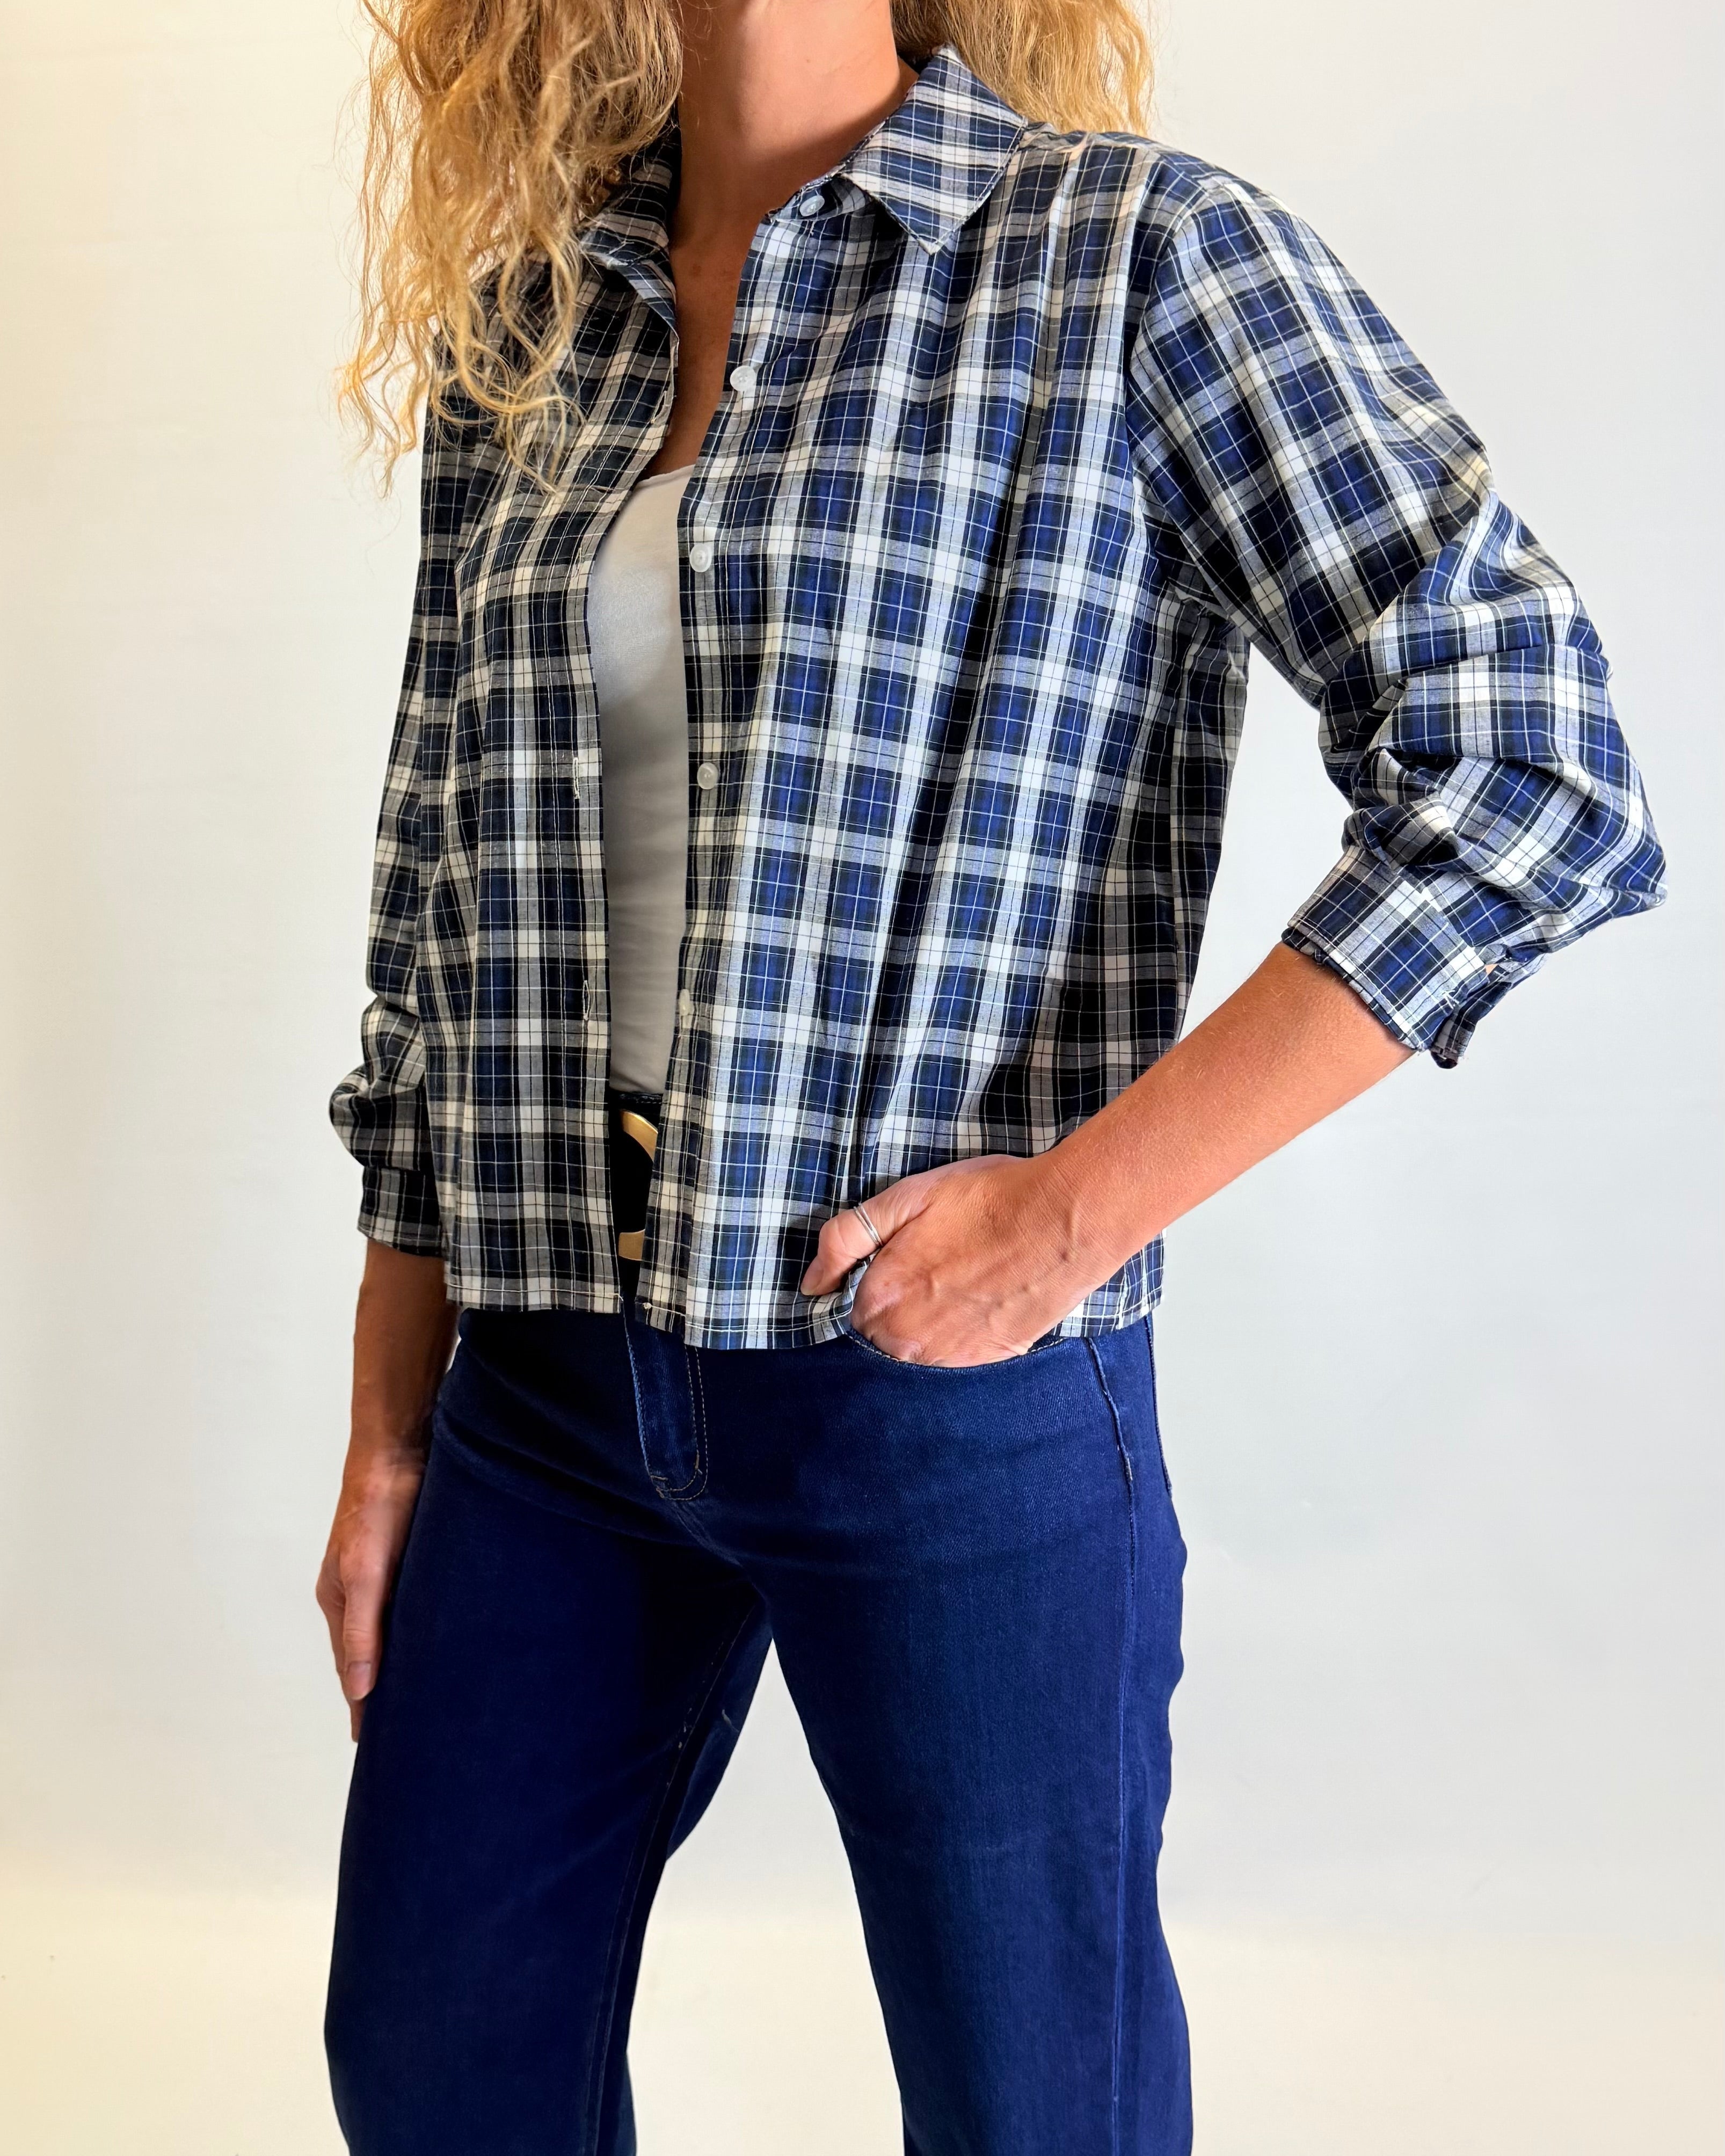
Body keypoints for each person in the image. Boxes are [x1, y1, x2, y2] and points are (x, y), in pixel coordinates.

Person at [315, 2, 1665, 2149]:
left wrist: (1068, 1216)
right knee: (434, 2055)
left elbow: (1533, 766)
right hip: (545, 1384)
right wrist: (392, 1429)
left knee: (1035, 2108)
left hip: (940, 1390)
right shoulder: (534, 334)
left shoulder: (1135, 261)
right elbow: (433, 899)